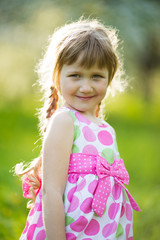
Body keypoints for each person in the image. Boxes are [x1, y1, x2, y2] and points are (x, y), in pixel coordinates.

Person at [15, 18, 140, 240]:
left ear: (109, 78)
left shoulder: (107, 129)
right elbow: (51, 191)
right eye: (75, 75)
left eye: (97, 76)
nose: (86, 86)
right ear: (57, 76)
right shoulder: (65, 121)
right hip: (70, 231)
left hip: (103, 230)